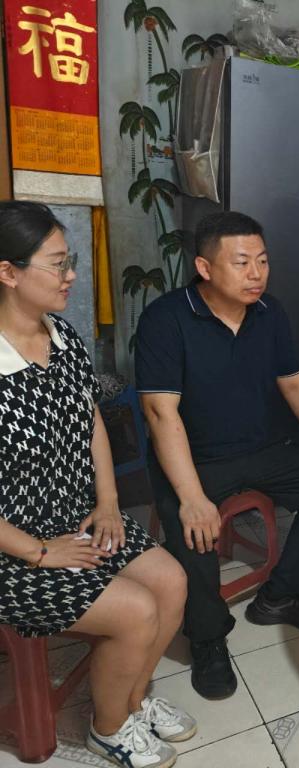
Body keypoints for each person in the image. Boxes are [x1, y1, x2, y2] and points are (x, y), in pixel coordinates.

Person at [0, 202, 193, 768]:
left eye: (71, 262)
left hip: (75, 516)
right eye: (57, 264)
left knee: (171, 581)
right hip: (14, 547)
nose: (71, 276)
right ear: (7, 272)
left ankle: (131, 701)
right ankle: (107, 730)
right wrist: (39, 552)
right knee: (135, 610)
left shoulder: (61, 334)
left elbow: (89, 423)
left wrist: (108, 502)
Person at [135, 211, 299, 700]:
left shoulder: (269, 312)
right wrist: (192, 497)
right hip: (194, 459)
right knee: (194, 529)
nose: (257, 274)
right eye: (242, 262)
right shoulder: (166, 319)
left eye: (263, 261)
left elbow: (294, 383)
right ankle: (208, 638)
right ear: (205, 268)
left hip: (262, 447)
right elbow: (161, 413)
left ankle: (280, 595)